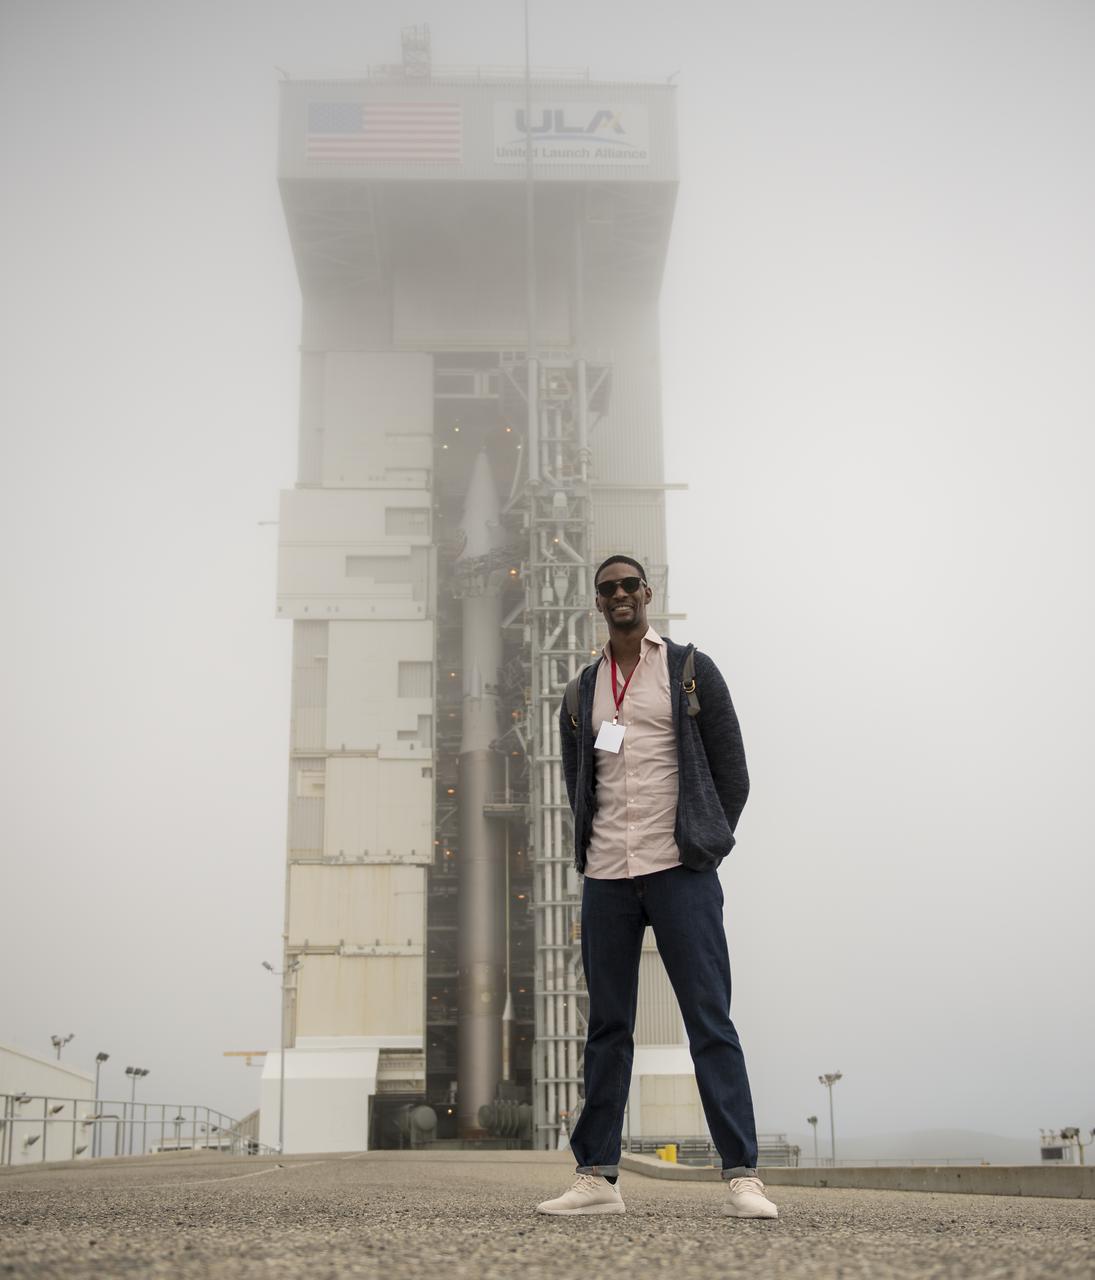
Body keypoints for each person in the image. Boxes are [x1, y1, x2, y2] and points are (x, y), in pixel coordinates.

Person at [535, 555, 777, 1219]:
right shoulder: (582, 691)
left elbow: (733, 773)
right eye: (607, 588)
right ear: (598, 602)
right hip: (609, 874)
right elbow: (578, 780)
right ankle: (596, 1177)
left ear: (647, 594)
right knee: (607, 1028)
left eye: (628, 586)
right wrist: (589, 850)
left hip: (679, 872)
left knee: (709, 1020)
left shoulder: (688, 669)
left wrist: (704, 842)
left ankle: (741, 1176)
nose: (619, 595)